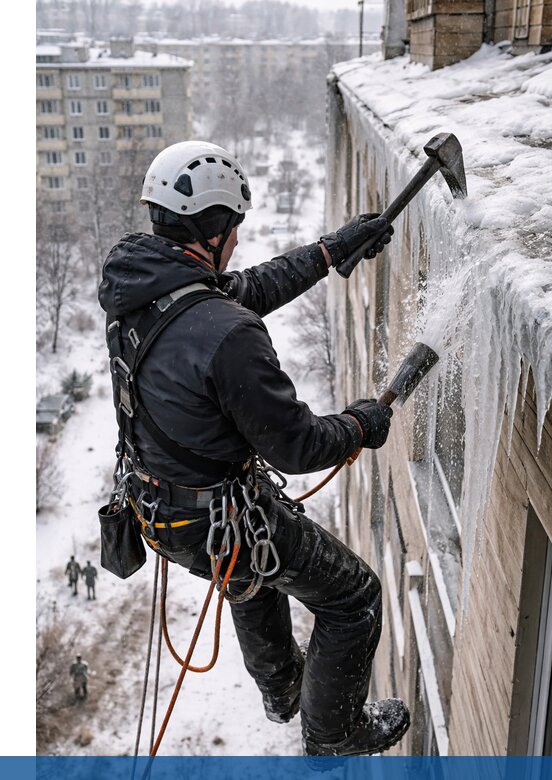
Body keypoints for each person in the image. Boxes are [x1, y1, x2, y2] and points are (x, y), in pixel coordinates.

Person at [98, 141, 410, 757]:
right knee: (353, 599)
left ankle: (282, 690)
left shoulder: (140, 291)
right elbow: (298, 445)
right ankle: (334, 734)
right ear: (213, 230)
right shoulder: (228, 333)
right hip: (218, 518)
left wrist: (329, 252)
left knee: (248, 574)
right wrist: (360, 423)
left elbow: (247, 287)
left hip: (163, 511)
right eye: (234, 227)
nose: (239, 239)